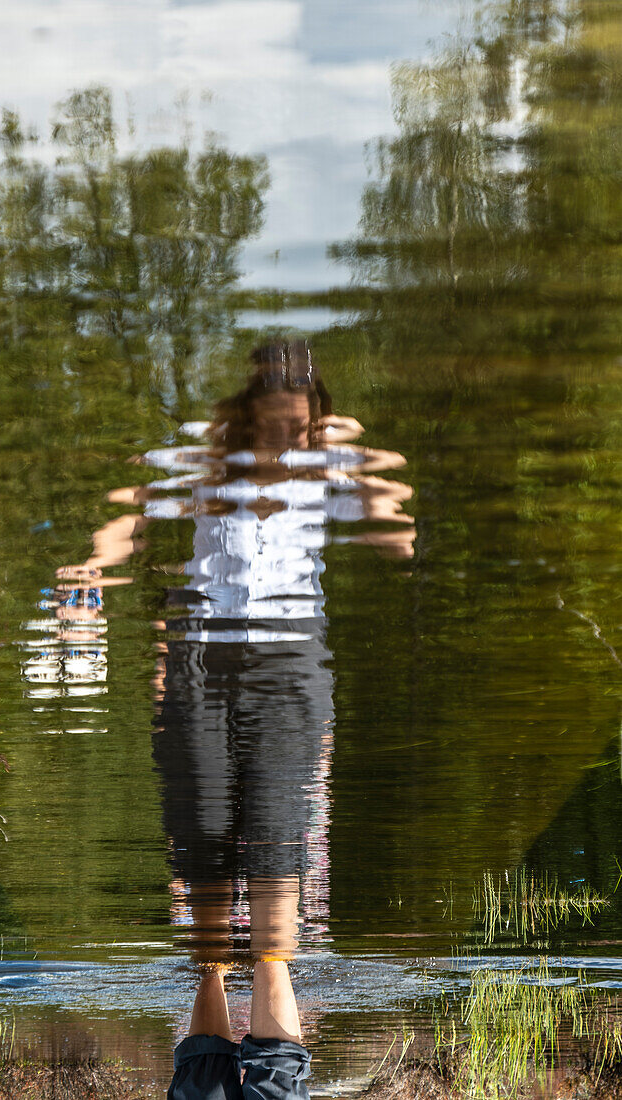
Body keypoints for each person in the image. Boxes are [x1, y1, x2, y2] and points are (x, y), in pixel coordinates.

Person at [55, 341, 415, 1098]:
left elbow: (397, 537)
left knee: (278, 839)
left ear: (317, 417)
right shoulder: (200, 455)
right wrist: (93, 564)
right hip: (200, 663)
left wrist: (364, 455)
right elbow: (128, 509)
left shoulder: (334, 463)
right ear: (249, 409)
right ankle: (206, 1062)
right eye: (275, 420)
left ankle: (276, 1073)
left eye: (301, 422)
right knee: (205, 846)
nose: (287, 435)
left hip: (290, 662)